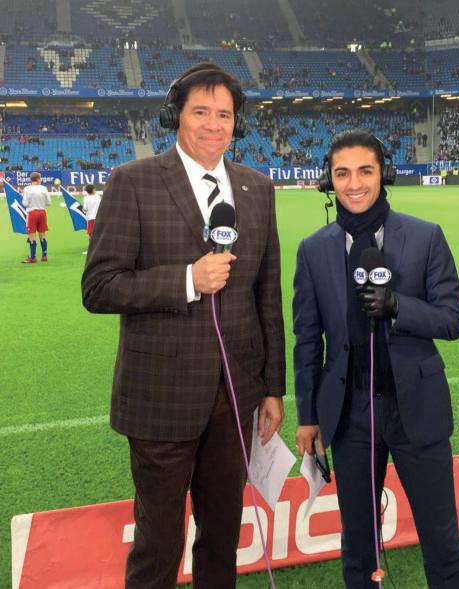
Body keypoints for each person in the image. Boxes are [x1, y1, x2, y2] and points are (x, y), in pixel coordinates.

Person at [81, 62, 285, 589]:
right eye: (200, 112)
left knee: (222, 535)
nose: (214, 125)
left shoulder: (258, 188)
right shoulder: (133, 181)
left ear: (237, 123)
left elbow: (267, 297)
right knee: (158, 544)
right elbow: (99, 287)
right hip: (161, 396)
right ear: (177, 116)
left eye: (225, 115)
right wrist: (187, 280)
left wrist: (273, 388)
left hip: (236, 396)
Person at [293, 129, 459, 588]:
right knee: (358, 545)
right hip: (350, 416)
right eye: (342, 173)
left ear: (383, 174)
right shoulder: (313, 249)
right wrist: (308, 415)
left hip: (417, 409)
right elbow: (307, 339)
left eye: (365, 171)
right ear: (328, 181)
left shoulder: (426, 236)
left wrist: (398, 307)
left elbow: (453, 319)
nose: (354, 183)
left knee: (441, 540)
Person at [22, 172, 51, 263]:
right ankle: (44, 256)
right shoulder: (44, 188)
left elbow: (25, 203)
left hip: (32, 213)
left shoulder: (27, 189)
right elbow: (49, 203)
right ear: (38, 179)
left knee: (32, 234)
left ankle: (33, 257)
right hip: (42, 212)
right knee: (42, 235)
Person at [82, 183, 101, 255]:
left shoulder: (86, 198)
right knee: (98, 234)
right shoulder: (98, 197)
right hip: (99, 217)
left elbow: (85, 209)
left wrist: (83, 209)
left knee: (91, 235)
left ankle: (91, 250)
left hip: (91, 218)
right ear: (93, 190)